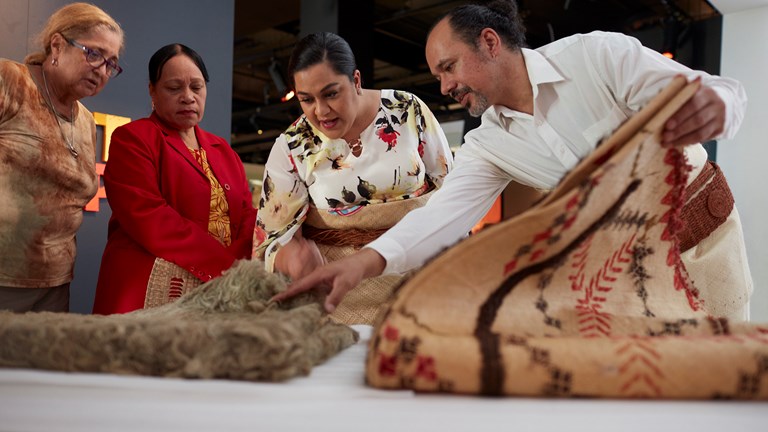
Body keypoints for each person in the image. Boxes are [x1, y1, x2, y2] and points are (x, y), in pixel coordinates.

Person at [274, 0, 753, 321]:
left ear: (489, 42)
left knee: (724, 381)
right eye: (438, 74)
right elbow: (440, 218)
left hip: (703, 244)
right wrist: (361, 264)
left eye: (449, 67)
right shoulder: (490, 145)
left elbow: (715, 90)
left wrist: (718, 105)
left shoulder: (596, 56)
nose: (443, 86)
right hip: (622, 272)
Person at [252, 32, 453, 324]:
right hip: (342, 299)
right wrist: (291, 257)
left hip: (425, 282)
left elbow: (451, 189)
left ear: (356, 81)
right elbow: (268, 240)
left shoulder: (406, 109)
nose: (321, 111)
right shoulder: (293, 145)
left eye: (331, 94)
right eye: (306, 100)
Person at [93, 44, 256, 314]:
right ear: (152, 91)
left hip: (218, 289)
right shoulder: (134, 139)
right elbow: (148, 215)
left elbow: (245, 214)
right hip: (149, 290)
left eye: (196, 87)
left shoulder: (223, 150)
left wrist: (240, 259)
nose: (188, 97)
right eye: (174, 88)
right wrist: (225, 264)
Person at [0, 3, 124, 313]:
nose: (102, 69)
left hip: (55, 285)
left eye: (111, 63)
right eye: (93, 53)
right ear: (57, 45)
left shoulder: (85, 120)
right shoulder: (11, 81)